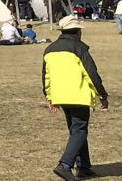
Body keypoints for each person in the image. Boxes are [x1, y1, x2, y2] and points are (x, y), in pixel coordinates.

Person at [44, 16, 109, 180]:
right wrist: (102, 95)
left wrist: (50, 96)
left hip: (61, 96)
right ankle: (65, 165)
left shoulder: (50, 49)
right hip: (78, 95)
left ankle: (84, 166)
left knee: (76, 131)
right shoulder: (79, 48)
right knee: (79, 130)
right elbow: (91, 73)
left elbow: (46, 76)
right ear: (78, 32)